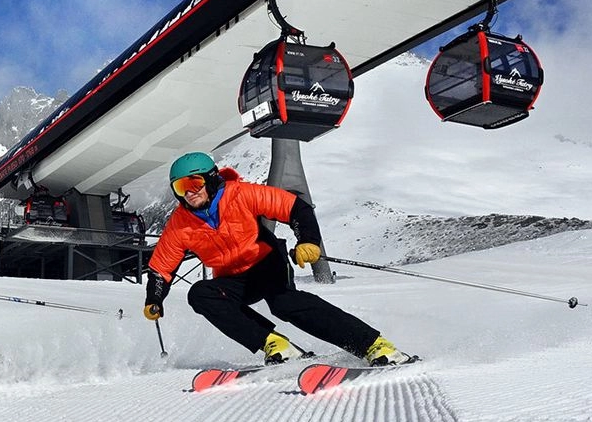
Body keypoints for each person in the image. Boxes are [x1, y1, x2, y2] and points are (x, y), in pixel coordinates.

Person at [143, 152, 413, 366]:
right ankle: (274, 343)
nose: (189, 192)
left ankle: (373, 345)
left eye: (195, 183)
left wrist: (307, 240)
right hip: (232, 279)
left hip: (266, 263)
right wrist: (154, 299)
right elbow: (161, 269)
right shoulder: (180, 224)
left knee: (285, 303)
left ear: (211, 179)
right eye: (180, 187)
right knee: (200, 294)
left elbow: (295, 207)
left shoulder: (240, 195)